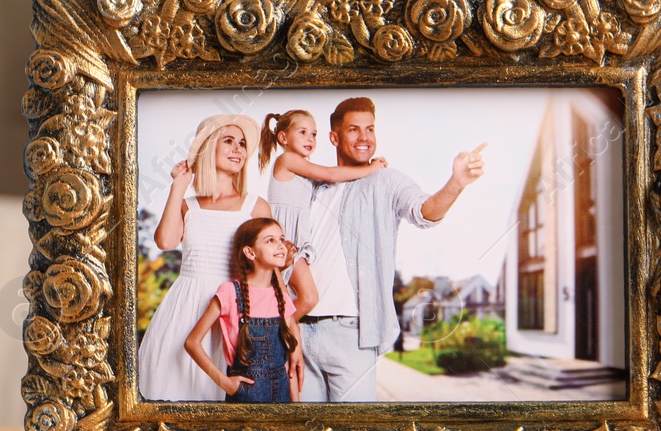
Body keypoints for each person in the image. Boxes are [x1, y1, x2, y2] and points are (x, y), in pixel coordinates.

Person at [300, 96, 486, 403]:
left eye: (370, 129)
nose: (364, 137)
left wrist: (456, 182)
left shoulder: (386, 180)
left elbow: (424, 211)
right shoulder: (311, 187)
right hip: (301, 332)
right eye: (354, 129)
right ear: (334, 137)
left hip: (352, 335)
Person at [137, 114, 270, 401]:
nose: (238, 149)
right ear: (209, 148)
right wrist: (179, 185)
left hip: (232, 309)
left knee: (217, 395)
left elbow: (267, 271)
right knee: (172, 387)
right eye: (229, 141)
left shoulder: (256, 206)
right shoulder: (188, 205)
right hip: (184, 307)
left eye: (243, 144)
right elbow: (165, 241)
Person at [258, 109, 387, 318]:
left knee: (290, 298)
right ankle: (276, 333)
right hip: (286, 239)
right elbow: (330, 174)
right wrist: (371, 169)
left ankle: (282, 332)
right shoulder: (288, 159)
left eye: (314, 134)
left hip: (294, 240)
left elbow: (332, 180)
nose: (310, 139)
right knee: (308, 298)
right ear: (283, 137)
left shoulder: (300, 168)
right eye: (302, 132)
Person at [183, 217, 304, 403]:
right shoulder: (230, 292)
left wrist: (296, 409)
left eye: (281, 239)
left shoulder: (281, 296)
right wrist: (224, 382)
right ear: (250, 252)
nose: (280, 245)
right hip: (245, 396)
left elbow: (289, 367)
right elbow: (192, 343)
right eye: (270, 240)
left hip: (283, 397)